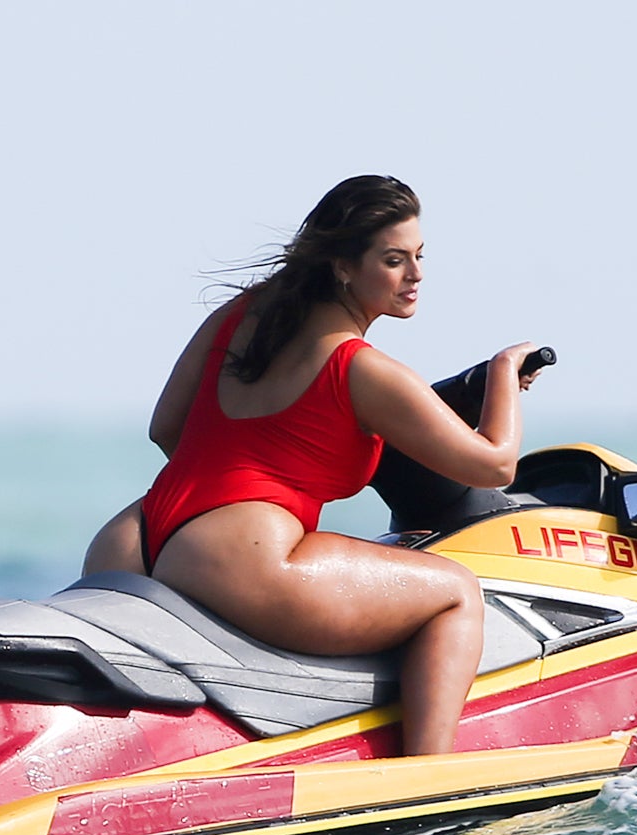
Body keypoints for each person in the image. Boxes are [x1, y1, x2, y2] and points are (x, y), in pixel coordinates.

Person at [83, 175, 539, 755]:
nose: (416, 274)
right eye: (394, 260)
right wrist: (504, 374)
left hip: (133, 537)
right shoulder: (362, 369)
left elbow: (165, 428)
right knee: (456, 591)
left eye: (419, 256)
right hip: (241, 554)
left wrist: (238, 480)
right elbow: (495, 466)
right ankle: (425, 777)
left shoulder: (240, 315)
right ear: (343, 267)